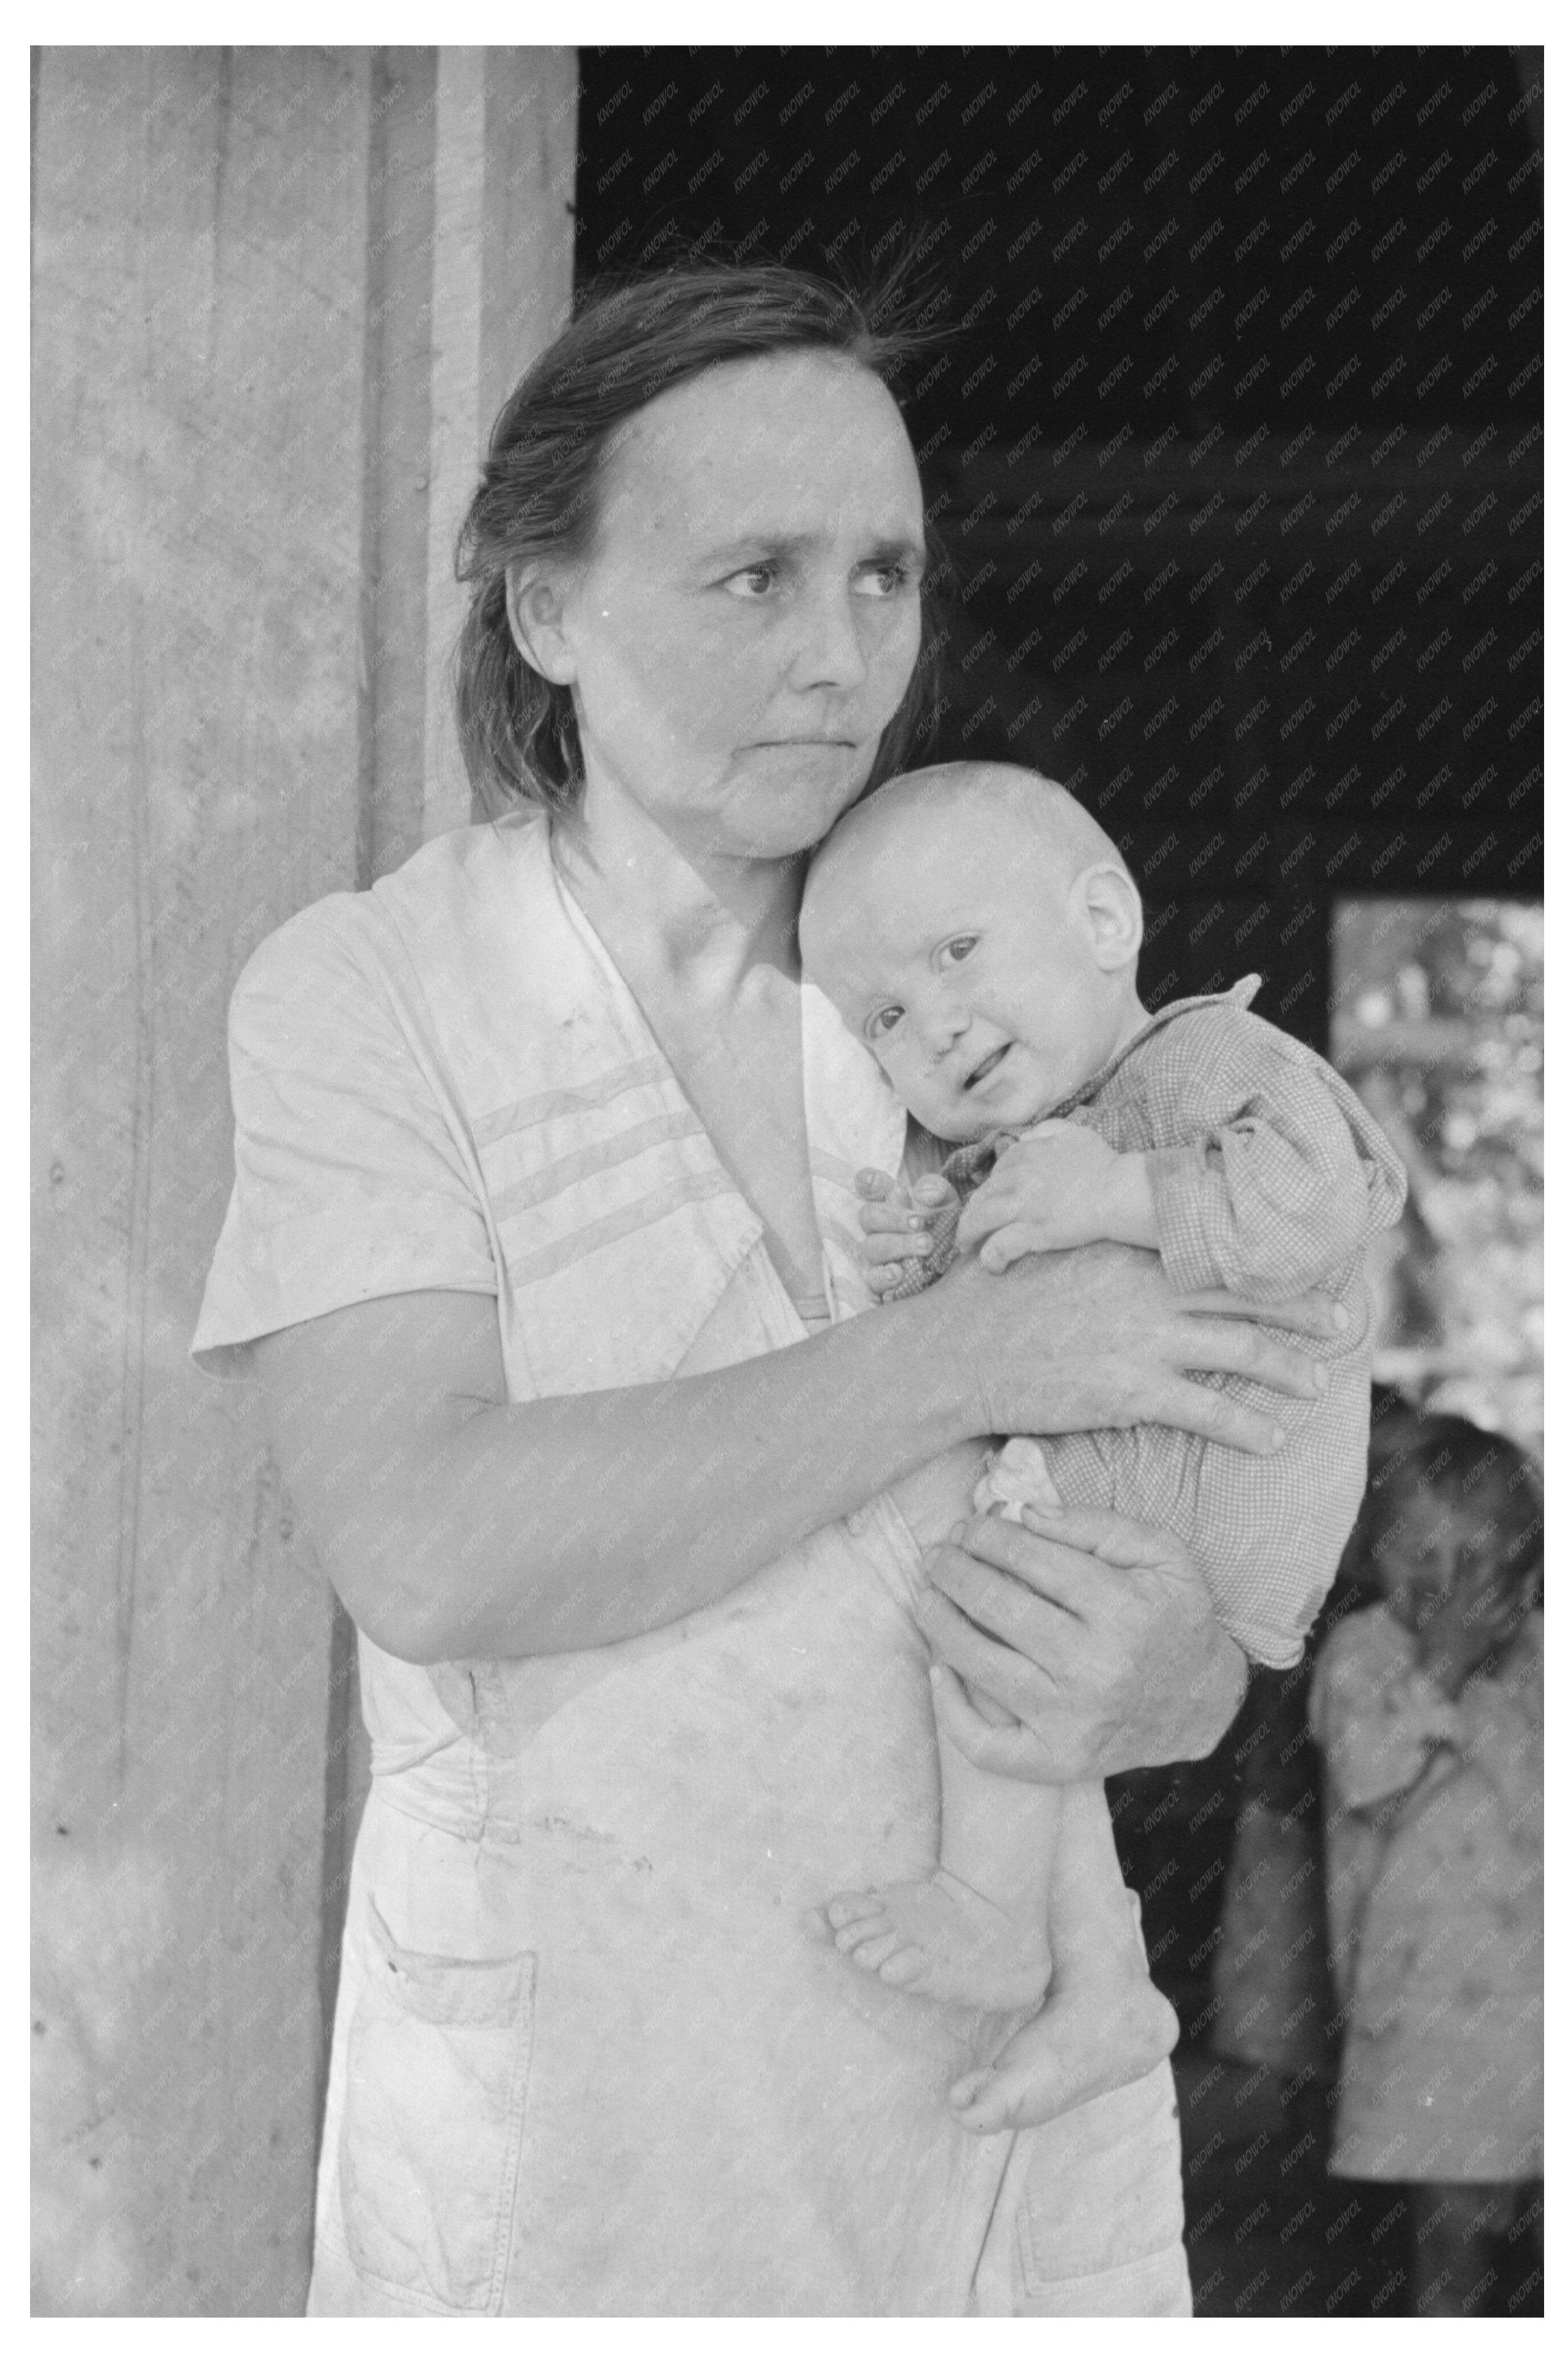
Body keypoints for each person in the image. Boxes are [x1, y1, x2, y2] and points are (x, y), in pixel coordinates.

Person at [191, 258, 1339, 2317]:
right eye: (756, 578)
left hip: (1004, 2131)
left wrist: (1181, 1668)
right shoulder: (372, 997)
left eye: (882, 575)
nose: (840, 655)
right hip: (596, 2135)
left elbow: (1214, 1456)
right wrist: (959, 1349)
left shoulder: (972, 979)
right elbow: (429, 1544)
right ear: (544, 606)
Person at [796, 760, 1405, 2131]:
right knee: (1016, 1662)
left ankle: (991, 1912)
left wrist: (1124, 1192)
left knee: (987, 1604)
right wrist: (923, 1254)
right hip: (1151, 1490)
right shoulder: (1032, 1144)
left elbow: (1326, 1202)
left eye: (958, 952)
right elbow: (999, 1322)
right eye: (885, 1014)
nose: (936, 1024)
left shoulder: (1212, 1064)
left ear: (1102, 922)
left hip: (1217, 1482)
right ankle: (1100, 1982)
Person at [1310, 1410, 1542, 2317]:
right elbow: (1366, 1777)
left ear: (1521, 1574)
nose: (1437, 1588)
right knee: (1451, 2230)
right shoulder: (1361, 1656)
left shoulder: (1538, 1661)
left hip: (1535, 1996)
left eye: (1470, 1563)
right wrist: (1440, 1671)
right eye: (1412, 1556)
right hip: (1428, 2011)